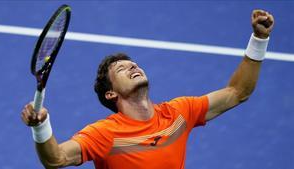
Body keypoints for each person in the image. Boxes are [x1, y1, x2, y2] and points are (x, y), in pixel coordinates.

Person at [21, 9, 274, 169]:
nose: (132, 67)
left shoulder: (178, 113)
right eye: (122, 70)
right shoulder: (105, 134)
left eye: (133, 64)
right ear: (111, 94)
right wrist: (41, 126)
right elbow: (56, 159)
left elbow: (238, 91)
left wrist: (259, 39)